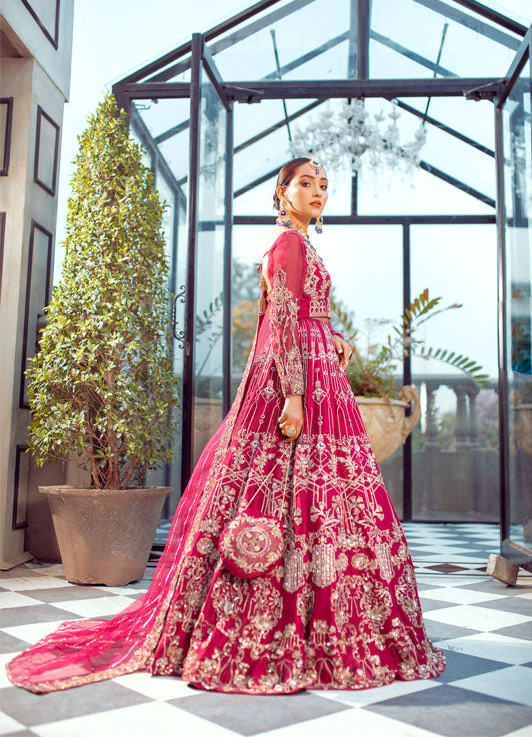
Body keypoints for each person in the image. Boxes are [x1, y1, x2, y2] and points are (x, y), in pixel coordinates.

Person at [7, 157, 445, 694]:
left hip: (315, 375)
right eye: (305, 183)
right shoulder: (286, 244)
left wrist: (332, 340)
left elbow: (304, 315)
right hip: (293, 383)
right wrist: (291, 393)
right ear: (281, 191)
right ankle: (270, 624)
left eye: (324, 186)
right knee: (275, 493)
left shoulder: (304, 245)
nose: (317, 192)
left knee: (322, 497)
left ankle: (321, 620)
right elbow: (281, 319)